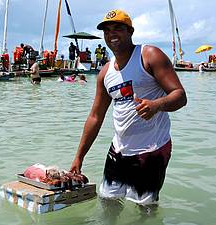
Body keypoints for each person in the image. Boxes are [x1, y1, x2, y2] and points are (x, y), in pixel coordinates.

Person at [70, 9, 187, 209]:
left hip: (152, 149)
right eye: (107, 30)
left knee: (145, 210)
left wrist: (156, 105)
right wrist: (79, 156)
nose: (111, 34)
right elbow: (95, 117)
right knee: (107, 203)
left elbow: (180, 95)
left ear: (130, 31)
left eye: (118, 28)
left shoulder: (149, 55)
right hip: (119, 151)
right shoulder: (105, 72)